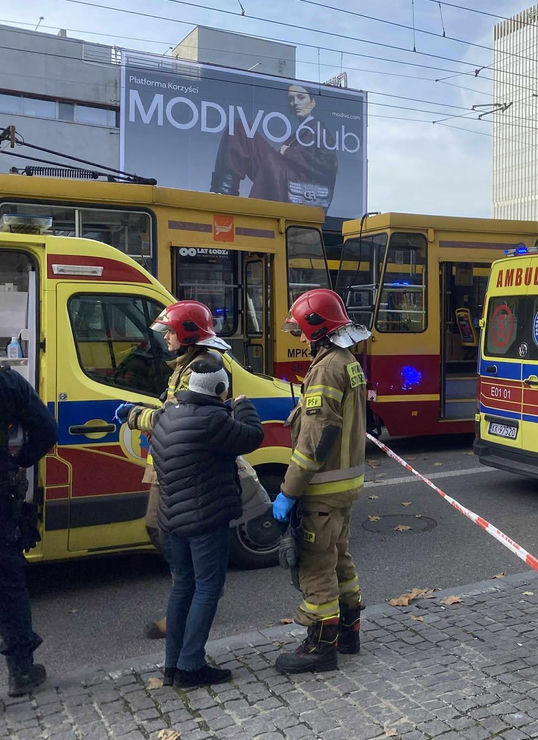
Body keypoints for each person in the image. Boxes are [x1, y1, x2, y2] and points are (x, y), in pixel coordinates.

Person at [141, 352, 263, 687]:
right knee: (208, 588)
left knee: (182, 587)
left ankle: (172, 665)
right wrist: (243, 405)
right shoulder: (214, 420)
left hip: (171, 518)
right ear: (220, 387)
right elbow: (252, 436)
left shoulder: (167, 414)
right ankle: (191, 666)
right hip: (205, 519)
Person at [115, 300, 231, 640]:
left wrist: (136, 416)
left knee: (172, 538)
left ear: (187, 333)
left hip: (185, 470)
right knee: (162, 533)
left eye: (170, 332)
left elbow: (177, 418)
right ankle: (191, 603)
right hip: (172, 466)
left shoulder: (203, 366)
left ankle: (194, 607)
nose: (165, 338)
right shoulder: (187, 364)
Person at [272, 289, 370, 674]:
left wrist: (288, 492)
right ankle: (349, 632)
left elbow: (315, 440)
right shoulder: (347, 361)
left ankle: (321, 646)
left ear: (318, 329)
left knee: (315, 567)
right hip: (344, 487)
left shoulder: (328, 367)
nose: (298, 338)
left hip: (322, 489)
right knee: (339, 558)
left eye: (301, 330)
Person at [0, 366, 57, 698]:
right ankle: (21, 670)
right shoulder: (7, 381)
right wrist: (18, 462)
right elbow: (47, 430)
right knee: (7, 583)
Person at [210, 83, 338, 207]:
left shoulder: (319, 129)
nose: (295, 103)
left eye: (301, 97)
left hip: (298, 191)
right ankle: (224, 194)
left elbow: (328, 166)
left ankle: (226, 200)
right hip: (283, 180)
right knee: (239, 128)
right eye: (291, 99)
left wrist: (288, 152)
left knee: (245, 133)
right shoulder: (301, 131)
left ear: (313, 102)